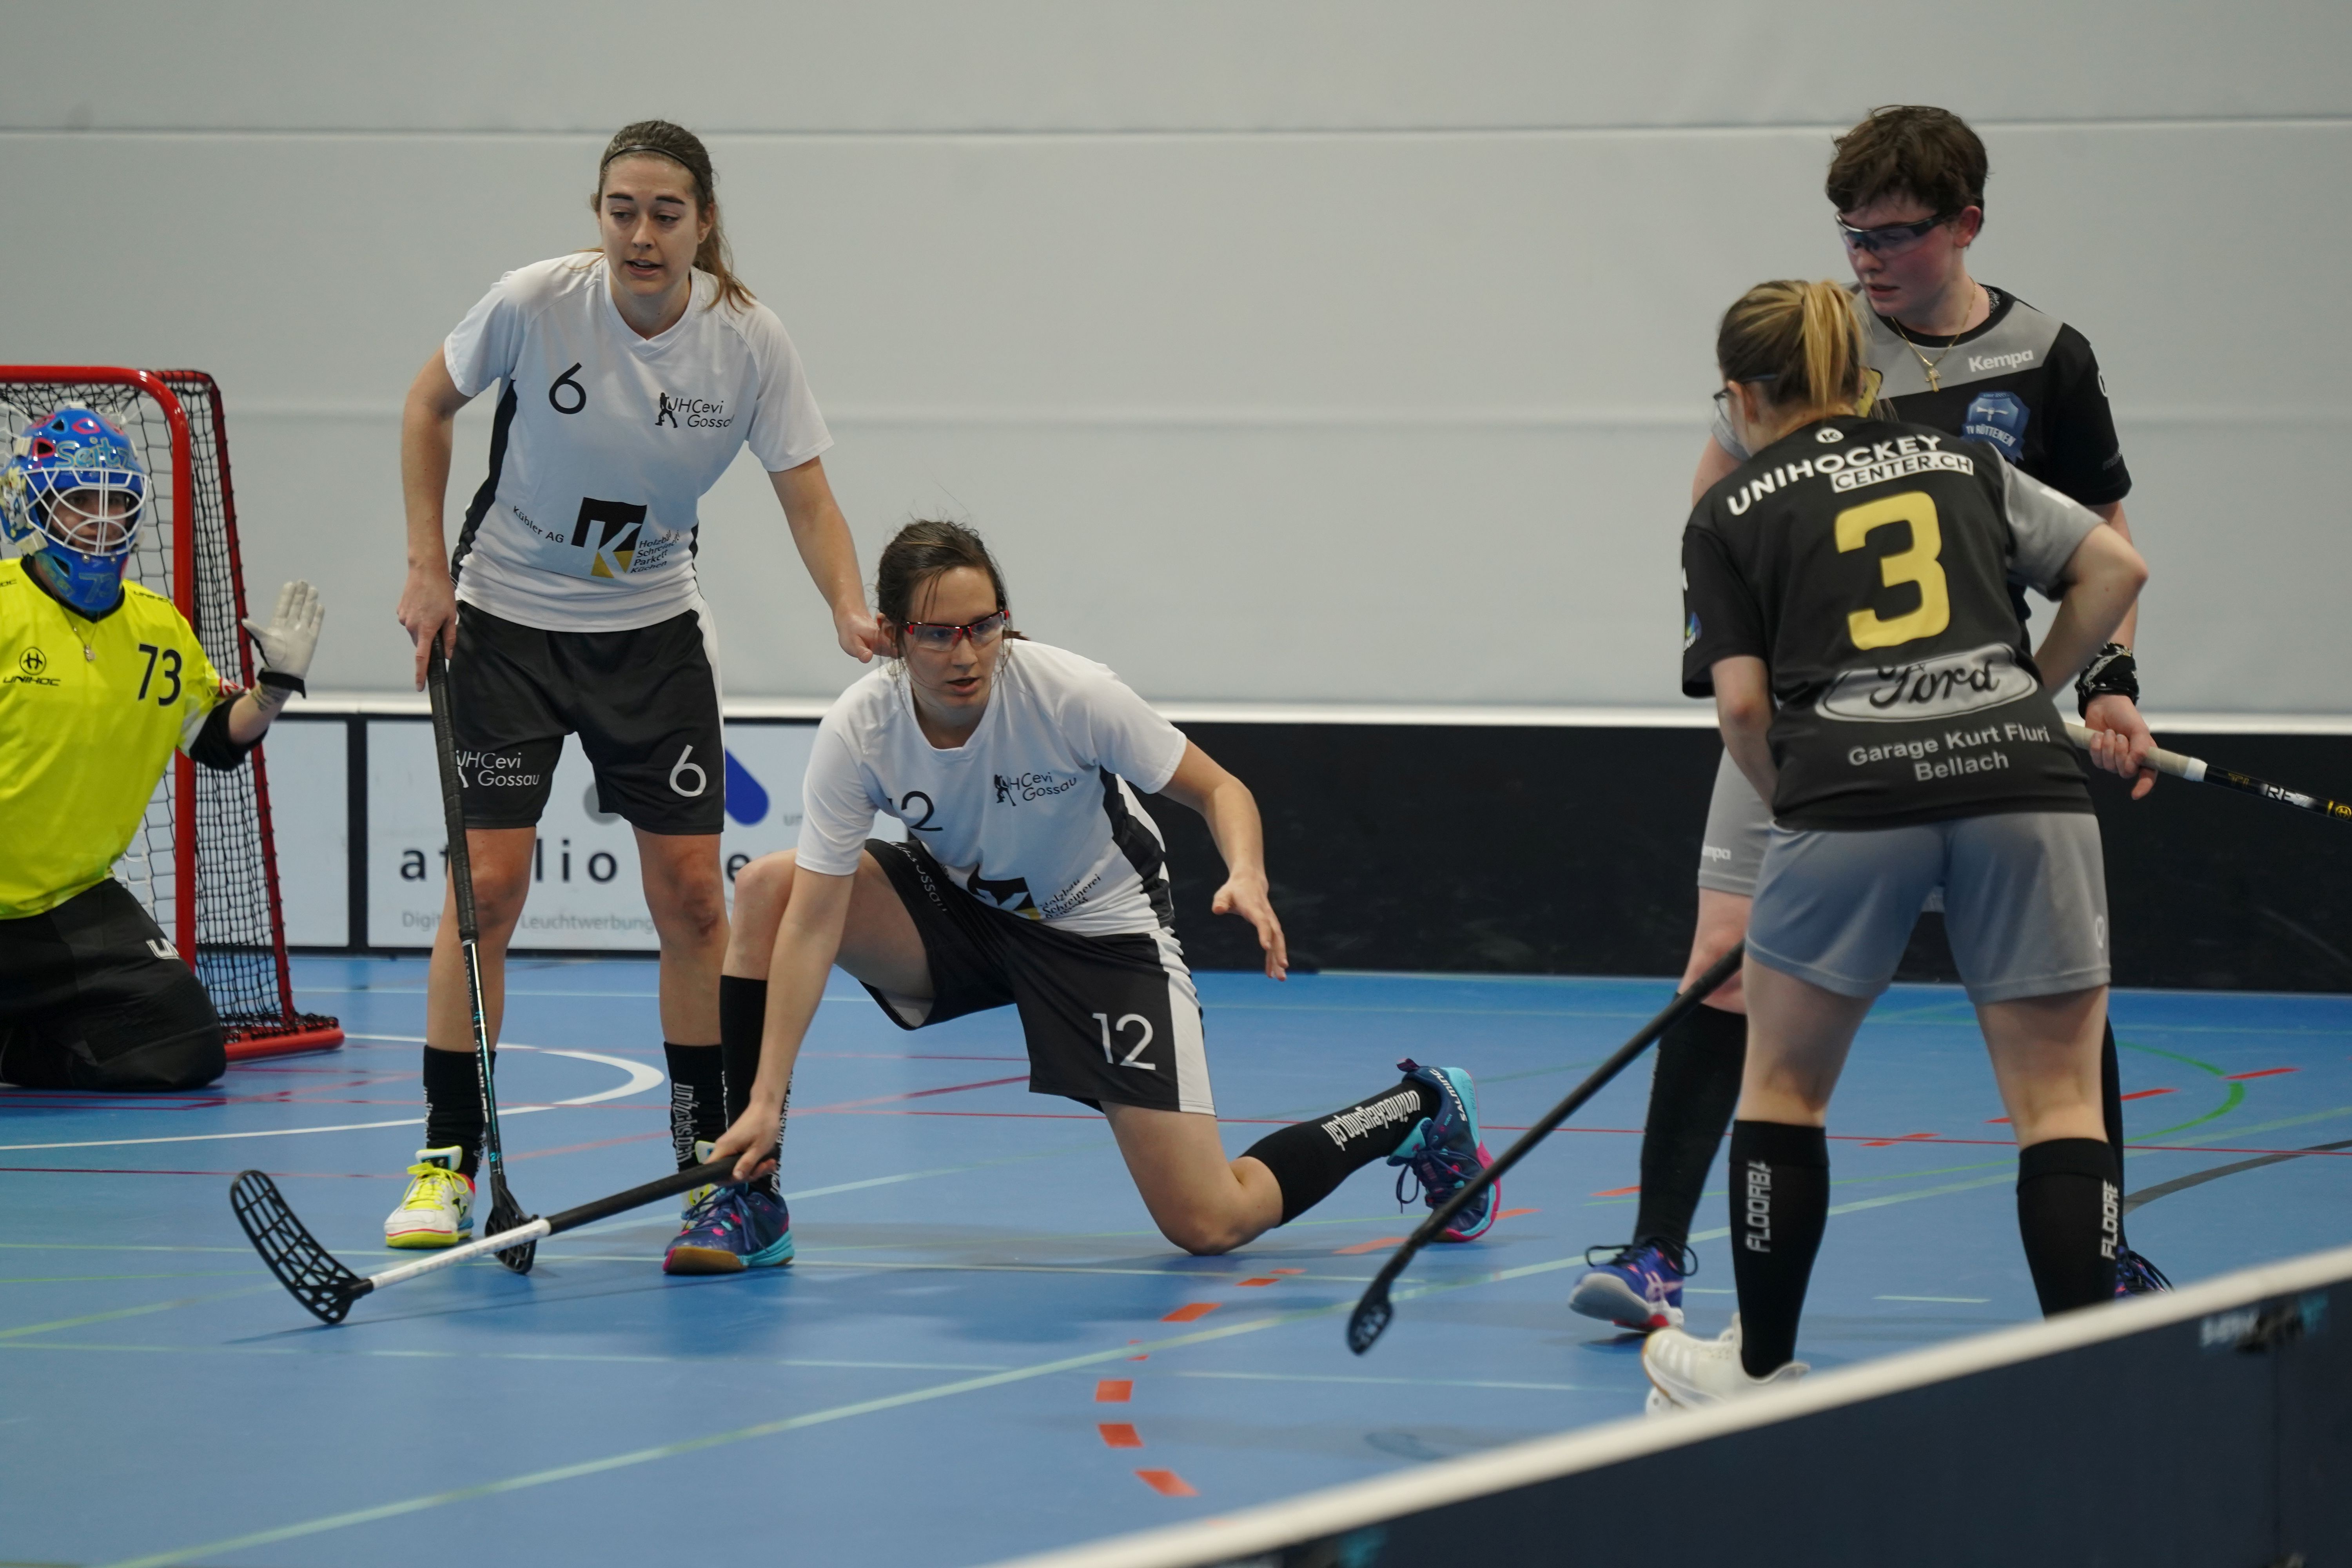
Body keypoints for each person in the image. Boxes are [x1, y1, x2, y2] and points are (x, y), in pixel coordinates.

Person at [1573, 105, 2166, 1334]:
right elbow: (1717, 504)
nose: (1867, 259)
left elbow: (2105, 535)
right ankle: (1654, 1251)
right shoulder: (1817, 341)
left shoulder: (2048, 356)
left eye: (1894, 235)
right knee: (1722, 964)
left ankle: (2101, 1261)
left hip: (1959, 708)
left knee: (2058, 997)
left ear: (1966, 225)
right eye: (1852, 234)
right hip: (1812, 709)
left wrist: (2099, 682)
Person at [687, 519, 1498, 1272]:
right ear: (895, 637)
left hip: (1099, 935)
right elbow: (813, 923)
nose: (966, 654)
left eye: (984, 626)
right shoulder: (861, 729)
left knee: (1208, 1220)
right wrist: (764, 1098)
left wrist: (1246, 871)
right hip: (963, 914)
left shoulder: (1068, 693)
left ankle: (1417, 1108)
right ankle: (751, 1193)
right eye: (938, 634)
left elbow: (1222, 789)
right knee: (769, 889)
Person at [386, 119, 883, 1249]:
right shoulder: (535, 303)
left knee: (697, 902)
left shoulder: (747, 341)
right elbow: (427, 406)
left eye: (666, 213)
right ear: (599, 216)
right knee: (487, 891)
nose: (642, 234)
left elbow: (808, 496)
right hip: (507, 621)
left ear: (704, 224)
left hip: (651, 633)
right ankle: (448, 1159)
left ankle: (706, 1161)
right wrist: (425, 567)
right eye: (622, 211)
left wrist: (847, 607)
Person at [0, 407, 323, 1091]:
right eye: (80, 499)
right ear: (34, 507)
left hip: (68, 902)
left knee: (187, 1048)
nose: (102, 519)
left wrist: (274, 689)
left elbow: (214, 738)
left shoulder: (159, 626)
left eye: (117, 501)